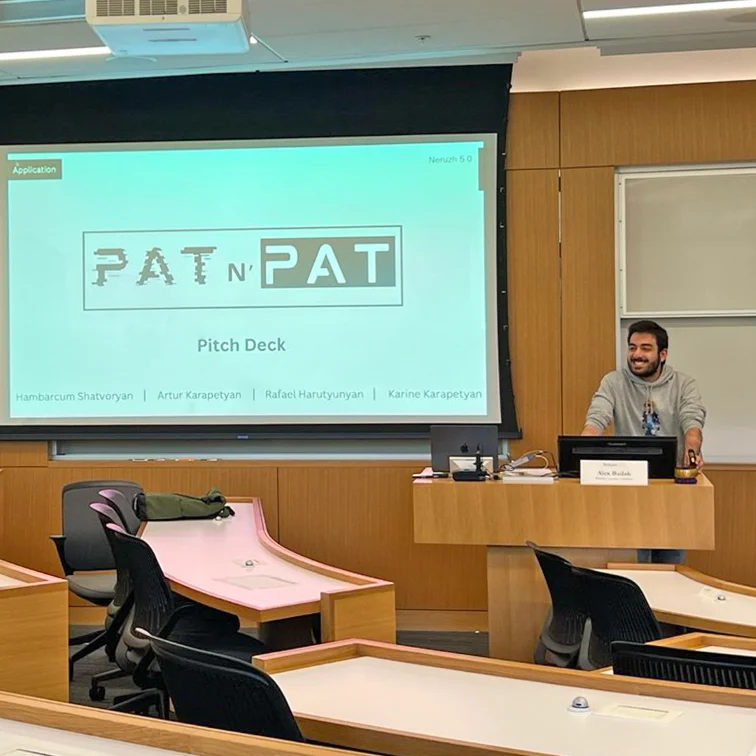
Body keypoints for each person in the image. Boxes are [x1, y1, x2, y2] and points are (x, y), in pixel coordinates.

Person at [582, 320, 706, 564]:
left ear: (663, 354)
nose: (637, 354)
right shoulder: (614, 382)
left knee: (669, 567)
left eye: (645, 348)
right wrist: (583, 447)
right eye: (632, 347)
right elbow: (597, 417)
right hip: (627, 489)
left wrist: (692, 451)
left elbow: (692, 422)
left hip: (672, 488)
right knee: (633, 564)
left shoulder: (684, 384)